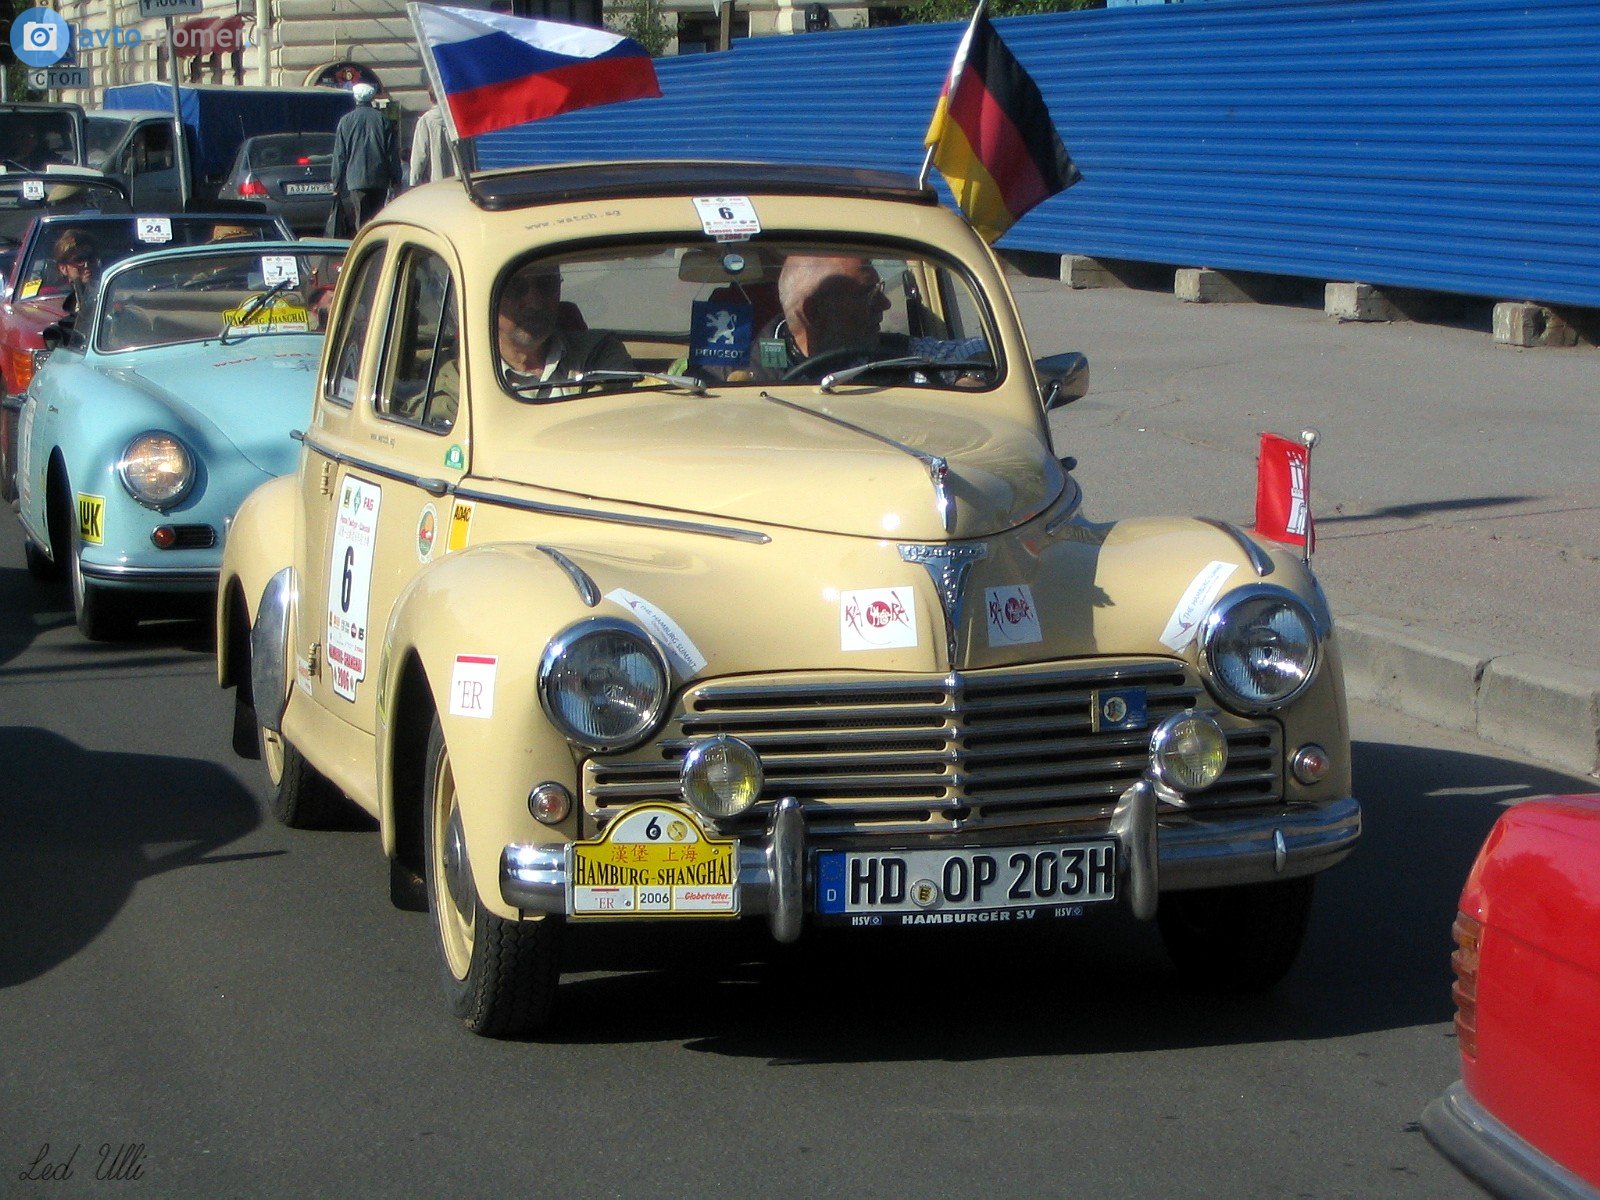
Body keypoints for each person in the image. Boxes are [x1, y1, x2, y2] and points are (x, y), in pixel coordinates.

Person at [762, 254, 990, 384]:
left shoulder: (894, 357)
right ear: (814, 311)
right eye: (868, 294)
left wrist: (972, 375)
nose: (885, 303)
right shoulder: (744, 373)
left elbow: (976, 350)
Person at [496, 261, 634, 398]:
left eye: (547, 284)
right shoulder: (475, 375)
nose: (535, 303)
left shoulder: (598, 353)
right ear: (492, 296)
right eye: (515, 287)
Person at [330, 83, 399, 231]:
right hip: (380, 178)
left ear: (355, 98)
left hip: (356, 179)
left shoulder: (346, 121)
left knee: (361, 218)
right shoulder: (383, 120)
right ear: (372, 98)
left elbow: (340, 155)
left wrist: (336, 183)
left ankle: (364, 247)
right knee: (377, 216)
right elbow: (392, 153)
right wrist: (396, 178)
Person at [408, 93, 456, 187]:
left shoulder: (425, 120)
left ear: (431, 98)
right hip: (460, 183)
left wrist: (414, 181)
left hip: (435, 183)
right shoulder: (458, 119)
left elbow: (420, 154)